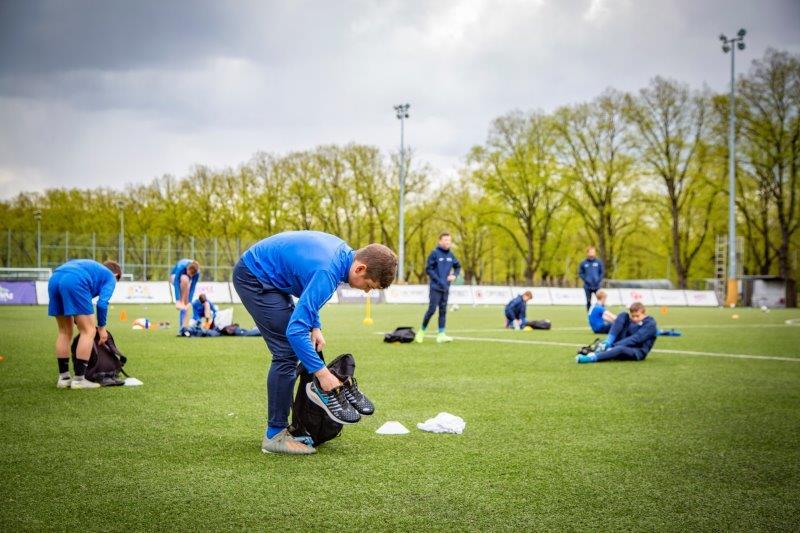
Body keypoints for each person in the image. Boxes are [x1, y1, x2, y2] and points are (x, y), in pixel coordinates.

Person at [232, 230, 397, 455]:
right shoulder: (328, 271)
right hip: (255, 277)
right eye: (368, 285)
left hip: (272, 276)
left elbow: (306, 285)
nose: (366, 291)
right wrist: (322, 373)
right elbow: (295, 331)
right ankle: (275, 435)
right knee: (286, 353)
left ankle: (300, 412)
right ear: (360, 269)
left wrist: (315, 325)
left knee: (296, 347)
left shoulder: (341, 257)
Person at [48, 259, 122, 389]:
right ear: (116, 275)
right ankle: (79, 380)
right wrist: (102, 328)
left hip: (54, 278)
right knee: (89, 331)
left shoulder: (93, 269)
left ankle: (64, 378)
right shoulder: (110, 277)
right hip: (75, 280)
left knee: (64, 331)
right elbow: (102, 303)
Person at [415, 232, 461, 344]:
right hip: (435, 287)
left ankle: (441, 334)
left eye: (449, 240)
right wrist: (439, 280)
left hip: (446, 288)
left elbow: (458, 266)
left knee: (443, 311)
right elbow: (428, 269)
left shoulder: (451, 255)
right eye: (445, 240)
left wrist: (454, 275)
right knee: (431, 310)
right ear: (440, 241)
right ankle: (421, 332)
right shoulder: (434, 253)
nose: (447, 242)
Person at [576, 302, 657, 363]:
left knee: (620, 349)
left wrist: (613, 346)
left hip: (637, 351)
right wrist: (610, 344)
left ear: (644, 313)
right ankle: (607, 342)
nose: (635, 319)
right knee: (623, 315)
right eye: (633, 316)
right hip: (622, 343)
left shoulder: (650, 324)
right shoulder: (630, 319)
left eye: (637, 316)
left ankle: (592, 358)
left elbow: (636, 339)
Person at [170, 258, 200, 329]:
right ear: (187, 269)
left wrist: (189, 301)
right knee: (185, 279)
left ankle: (183, 327)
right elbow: (176, 282)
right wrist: (178, 300)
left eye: (192, 275)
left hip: (185, 282)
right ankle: (181, 303)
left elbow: (193, 287)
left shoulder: (197, 273)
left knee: (187, 302)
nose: (191, 276)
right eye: (190, 274)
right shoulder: (182, 267)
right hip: (174, 277)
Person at [578, 246, 604, 311]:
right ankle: (589, 316)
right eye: (591, 252)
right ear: (587, 253)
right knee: (588, 301)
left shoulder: (599, 262)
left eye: (593, 252)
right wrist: (586, 280)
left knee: (601, 301)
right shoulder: (583, 263)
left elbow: (602, 272)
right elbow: (580, 273)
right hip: (587, 286)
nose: (592, 253)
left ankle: (601, 315)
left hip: (597, 285)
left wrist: (598, 280)